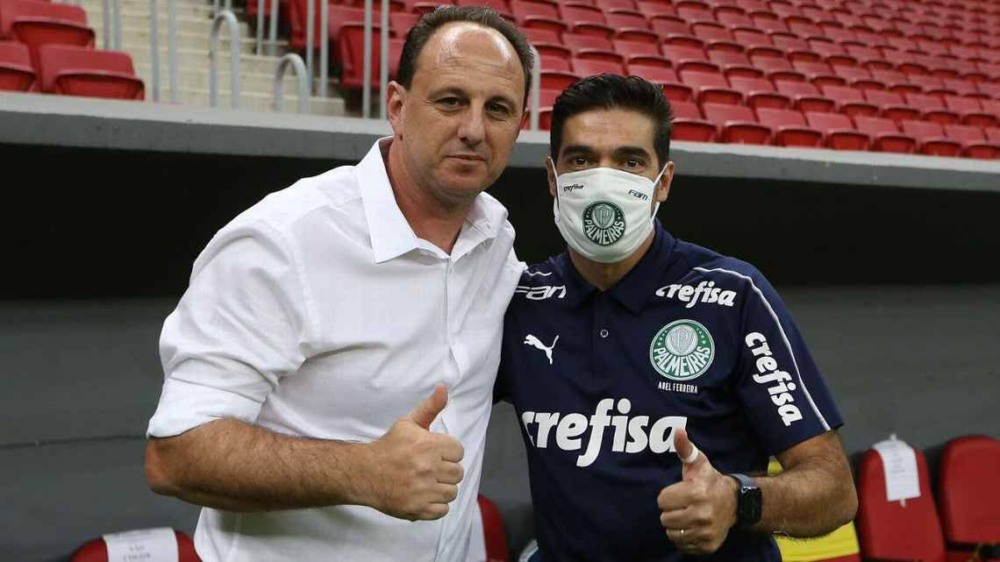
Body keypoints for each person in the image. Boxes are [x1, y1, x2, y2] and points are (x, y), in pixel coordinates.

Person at [143, 7, 534, 562]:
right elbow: (176, 454)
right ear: (397, 107)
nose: (474, 128)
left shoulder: (497, 242)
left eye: (497, 108)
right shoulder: (282, 240)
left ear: (520, 124)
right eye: (450, 101)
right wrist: (362, 471)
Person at [496, 74, 858, 562]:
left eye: (630, 161)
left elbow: (834, 489)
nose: (604, 180)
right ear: (552, 177)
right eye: (581, 160)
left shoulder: (733, 296)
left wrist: (737, 500)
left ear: (662, 182)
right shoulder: (520, 301)